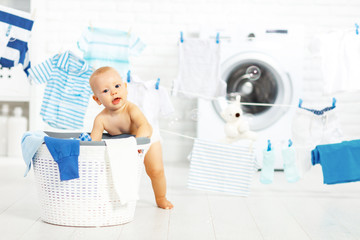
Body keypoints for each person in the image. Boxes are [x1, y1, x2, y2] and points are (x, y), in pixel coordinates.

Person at [89, 66, 173, 209]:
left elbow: (145, 127)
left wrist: (137, 146)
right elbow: (94, 143)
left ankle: (161, 197)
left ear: (125, 88)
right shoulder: (101, 119)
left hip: (147, 140)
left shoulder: (131, 108)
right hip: (125, 147)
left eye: (117, 86)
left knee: (155, 171)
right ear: (97, 99)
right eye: (105, 90)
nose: (113, 91)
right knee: (117, 174)